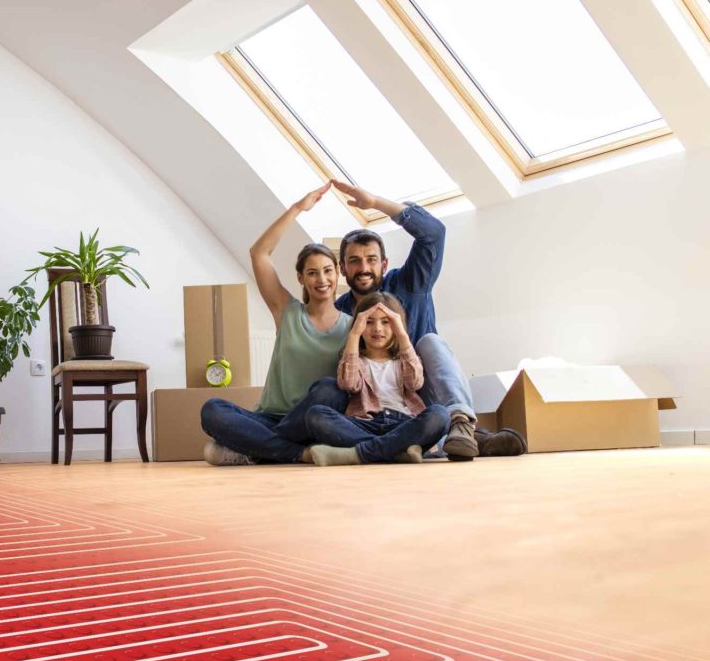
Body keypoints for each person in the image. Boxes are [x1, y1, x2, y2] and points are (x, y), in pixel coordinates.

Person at [330, 179, 526, 460]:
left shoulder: (409, 284)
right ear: (342, 269)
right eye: (354, 261)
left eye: (371, 260)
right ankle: (465, 440)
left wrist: (375, 203)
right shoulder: (340, 313)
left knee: (431, 342)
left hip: (424, 397)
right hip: (375, 410)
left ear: (384, 265)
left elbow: (434, 233)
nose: (363, 268)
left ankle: (460, 426)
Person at [201, 182, 353, 465]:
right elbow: (259, 253)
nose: (322, 280)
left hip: (312, 421)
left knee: (331, 389)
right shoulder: (286, 311)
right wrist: (297, 208)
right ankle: (297, 453)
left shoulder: (352, 326)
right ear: (301, 278)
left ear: (337, 274)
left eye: (328, 271)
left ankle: (258, 448)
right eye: (312, 273)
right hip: (268, 416)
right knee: (212, 409)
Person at [305, 292, 449, 466]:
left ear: (396, 326)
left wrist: (402, 336)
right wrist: (353, 336)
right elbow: (348, 383)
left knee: (440, 415)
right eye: (369, 322)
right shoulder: (355, 359)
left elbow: (415, 382)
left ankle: (359, 453)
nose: (377, 329)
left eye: (385, 322)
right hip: (365, 424)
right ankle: (396, 451)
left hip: (403, 423)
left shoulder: (404, 358)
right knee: (316, 415)